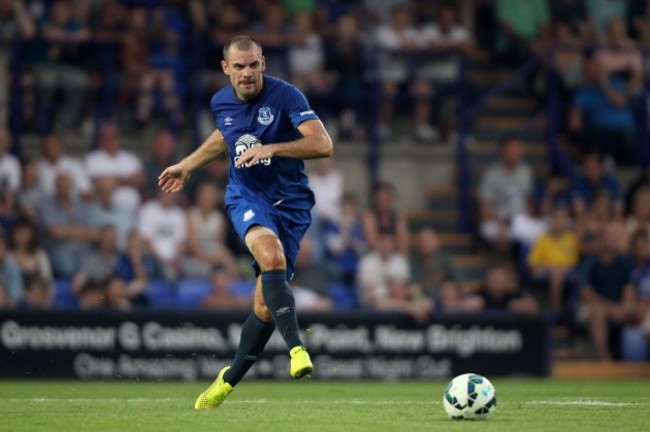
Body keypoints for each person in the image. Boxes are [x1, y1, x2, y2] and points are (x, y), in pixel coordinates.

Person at [158, 35, 333, 409]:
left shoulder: (287, 97)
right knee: (271, 258)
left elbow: (323, 145)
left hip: (292, 205)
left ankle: (228, 378)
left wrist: (272, 147)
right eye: (239, 67)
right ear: (226, 70)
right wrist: (187, 166)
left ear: (263, 64)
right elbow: (225, 135)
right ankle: (297, 349)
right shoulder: (220, 101)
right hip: (246, 197)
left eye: (253, 65)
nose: (247, 73)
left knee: (265, 307)